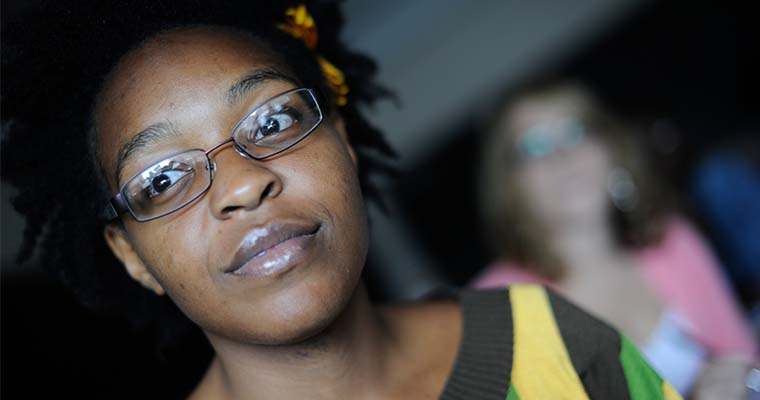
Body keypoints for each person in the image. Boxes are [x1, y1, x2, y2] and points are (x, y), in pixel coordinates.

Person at [2, 2, 681, 398]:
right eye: (161, 179)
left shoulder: (550, 336)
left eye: (270, 123)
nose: (243, 184)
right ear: (131, 256)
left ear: (345, 144)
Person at [473, 80, 757, 398]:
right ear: (511, 187)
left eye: (575, 132)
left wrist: (746, 381)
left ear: (612, 150)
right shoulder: (497, 309)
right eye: (534, 146)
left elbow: (747, 359)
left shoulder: (672, 243)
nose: (562, 157)